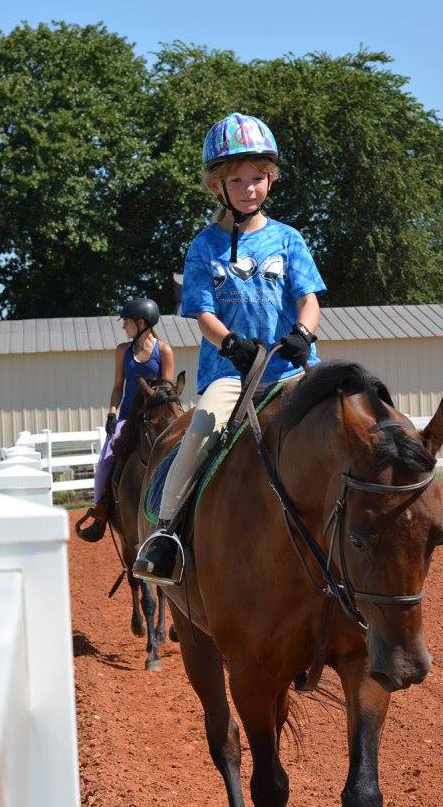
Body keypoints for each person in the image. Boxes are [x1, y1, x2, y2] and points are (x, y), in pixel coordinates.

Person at [133, 112, 326, 584]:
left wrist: (303, 333)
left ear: (270, 179)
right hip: (231, 374)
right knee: (198, 431)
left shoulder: (289, 239)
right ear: (216, 185)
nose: (249, 188)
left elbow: (309, 300)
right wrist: (231, 343)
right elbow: (201, 313)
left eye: (258, 178)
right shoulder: (203, 246)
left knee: (351, 418)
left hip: (290, 370)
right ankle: (164, 536)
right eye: (237, 180)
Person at [76, 297, 175, 542]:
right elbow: (118, 387)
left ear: (141, 323)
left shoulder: (164, 351)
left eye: (127, 322)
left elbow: (168, 391)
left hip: (154, 420)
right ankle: (100, 515)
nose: (124, 328)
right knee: (105, 462)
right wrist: (112, 412)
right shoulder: (123, 351)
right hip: (126, 420)